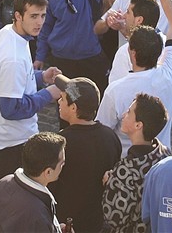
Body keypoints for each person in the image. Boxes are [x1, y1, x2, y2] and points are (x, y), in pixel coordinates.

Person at [95, 0, 172, 153]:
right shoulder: (169, 73)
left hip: (125, 163)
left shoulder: (117, 87)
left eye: (128, 12)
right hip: (160, 160)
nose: (124, 15)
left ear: (132, 54)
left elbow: (103, 131)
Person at [0, 0, 62, 195]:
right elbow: (11, 109)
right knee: (11, 210)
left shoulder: (9, 33)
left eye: (43, 15)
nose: (40, 22)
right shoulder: (14, 58)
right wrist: (49, 94)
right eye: (33, 16)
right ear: (18, 15)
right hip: (12, 145)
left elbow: (16, 80)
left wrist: (41, 77)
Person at [49, 75, 121, 232]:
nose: (59, 102)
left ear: (74, 108)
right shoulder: (110, 136)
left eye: (62, 98)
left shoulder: (61, 142)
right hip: (99, 220)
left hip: (68, 223)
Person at [101, 93, 171, 233]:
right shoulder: (165, 154)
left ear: (138, 125)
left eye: (129, 112)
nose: (123, 115)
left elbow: (115, 218)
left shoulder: (125, 170)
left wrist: (109, 184)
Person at [0, 132, 67, 233]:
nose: (63, 166)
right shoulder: (37, 215)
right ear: (48, 172)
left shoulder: (3, 182)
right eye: (62, 163)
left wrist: (55, 228)